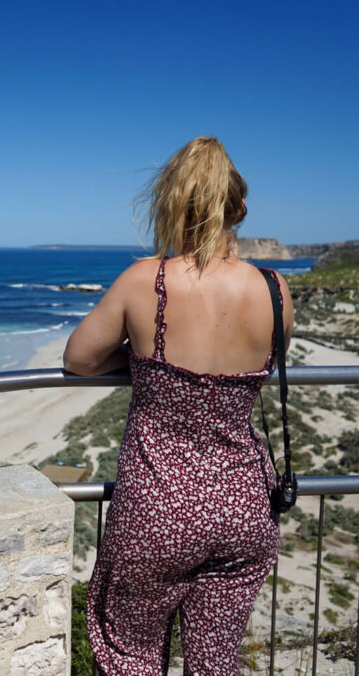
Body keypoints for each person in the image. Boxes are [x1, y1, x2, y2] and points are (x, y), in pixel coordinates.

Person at [63, 136, 294, 675]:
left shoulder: (147, 280)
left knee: (131, 658)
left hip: (157, 511)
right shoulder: (275, 288)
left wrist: (143, 362)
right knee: (215, 665)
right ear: (239, 207)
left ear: (170, 205)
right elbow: (268, 352)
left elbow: (80, 359)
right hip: (243, 508)